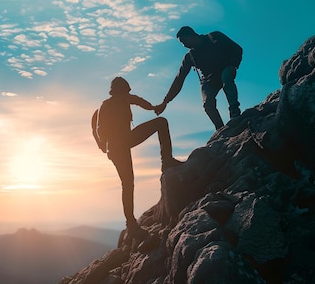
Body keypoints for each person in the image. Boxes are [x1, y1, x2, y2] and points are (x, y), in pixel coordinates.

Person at [96, 77, 183, 240]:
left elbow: (139, 101)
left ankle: (167, 161)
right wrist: (106, 143)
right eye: (124, 92)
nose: (126, 95)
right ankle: (131, 225)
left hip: (126, 140)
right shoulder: (106, 105)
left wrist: (154, 108)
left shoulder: (126, 98)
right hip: (116, 149)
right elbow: (101, 129)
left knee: (161, 122)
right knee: (128, 184)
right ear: (116, 92)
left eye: (127, 92)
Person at [155, 26, 243, 130]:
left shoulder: (214, 37)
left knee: (226, 77)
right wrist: (165, 101)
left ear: (192, 35)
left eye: (184, 41)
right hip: (209, 80)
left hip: (225, 70)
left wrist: (233, 65)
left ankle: (235, 115)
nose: (184, 45)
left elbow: (237, 49)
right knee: (207, 104)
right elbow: (179, 79)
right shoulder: (189, 57)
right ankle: (220, 129)